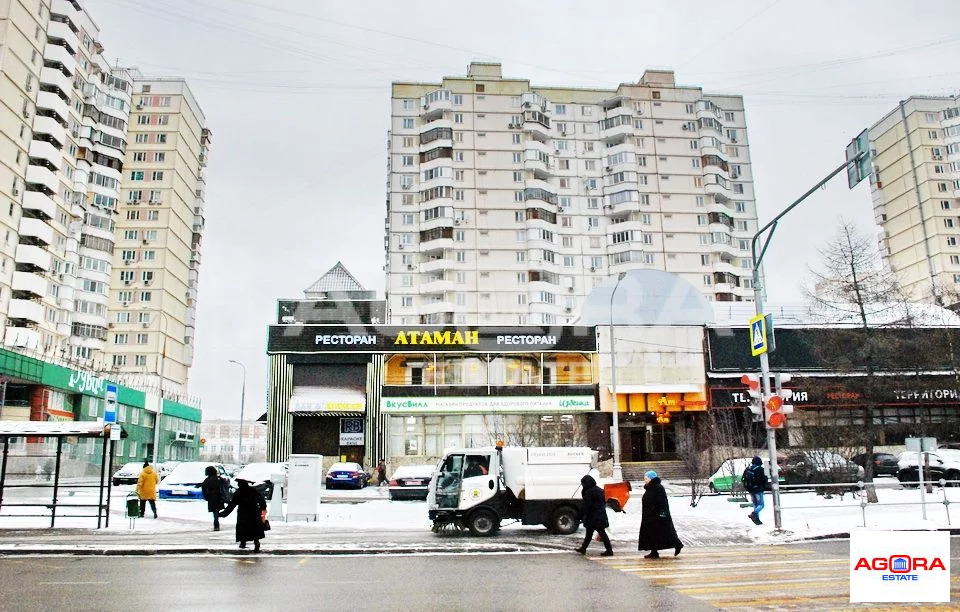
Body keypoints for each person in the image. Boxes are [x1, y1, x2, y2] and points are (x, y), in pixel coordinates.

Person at [637, 470, 683, 559]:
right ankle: (654, 552)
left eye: (646, 478)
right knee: (652, 534)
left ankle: (678, 545)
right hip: (650, 516)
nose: (645, 480)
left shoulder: (658, 488)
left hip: (657, 516)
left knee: (666, 532)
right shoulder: (650, 487)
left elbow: (663, 502)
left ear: (651, 478)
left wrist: (663, 513)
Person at [220, 478, 267, 552]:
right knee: (254, 528)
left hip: (243, 513)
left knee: (242, 528)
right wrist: (262, 508)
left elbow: (232, 505)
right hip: (254, 512)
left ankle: (243, 542)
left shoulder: (239, 492)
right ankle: (256, 542)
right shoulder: (253, 490)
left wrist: (224, 513)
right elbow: (261, 500)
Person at [575, 474, 613, 557]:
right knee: (590, 533)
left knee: (601, 533)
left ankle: (609, 550)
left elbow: (586, 506)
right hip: (599, 514)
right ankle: (583, 548)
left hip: (594, 516)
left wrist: (579, 516)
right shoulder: (599, 490)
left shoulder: (589, 492)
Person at [742, 456, 769, 525]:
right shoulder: (760, 469)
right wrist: (763, 486)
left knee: (755, 504)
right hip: (758, 490)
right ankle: (754, 514)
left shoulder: (748, 469)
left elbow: (743, 479)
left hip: (750, 490)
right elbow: (764, 479)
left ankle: (757, 520)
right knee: (761, 504)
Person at [201, 465, 226, 531]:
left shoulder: (207, 480)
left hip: (211, 498)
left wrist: (206, 496)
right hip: (219, 497)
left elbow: (204, 488)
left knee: (215, 511)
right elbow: (225, 485)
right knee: (216, 511)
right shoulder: (219, 479)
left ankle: (216, 524)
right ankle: (217, 522)